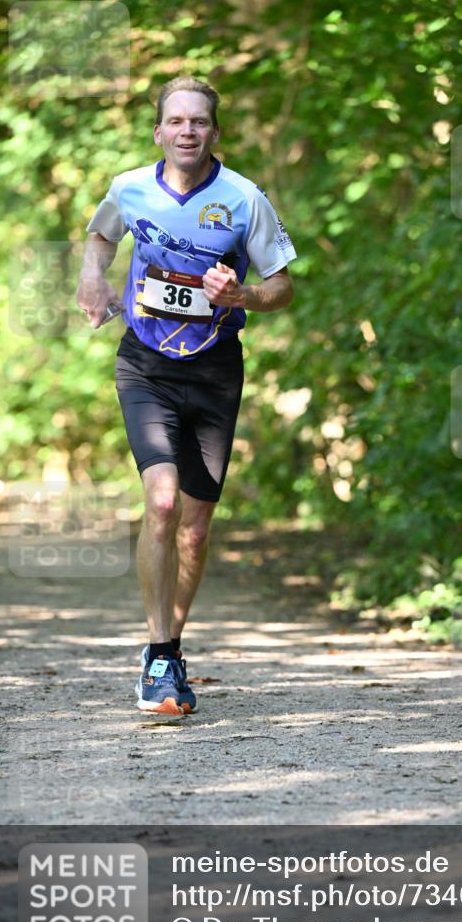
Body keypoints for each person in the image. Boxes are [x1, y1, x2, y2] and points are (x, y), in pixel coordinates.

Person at [76, 77, 296, 716]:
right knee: (164, 501)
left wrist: (242, 296)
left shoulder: (244, 199)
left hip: (216, 369)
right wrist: (93, 280)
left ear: (214, 133)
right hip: (145, 363)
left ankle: (167, 650)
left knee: (196, 530)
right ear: (159, 132)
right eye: (176, 121)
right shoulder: (129, 187)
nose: (187, 130)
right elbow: (99, 238)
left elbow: (282, 286)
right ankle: (161, 652)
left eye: (199, 121)